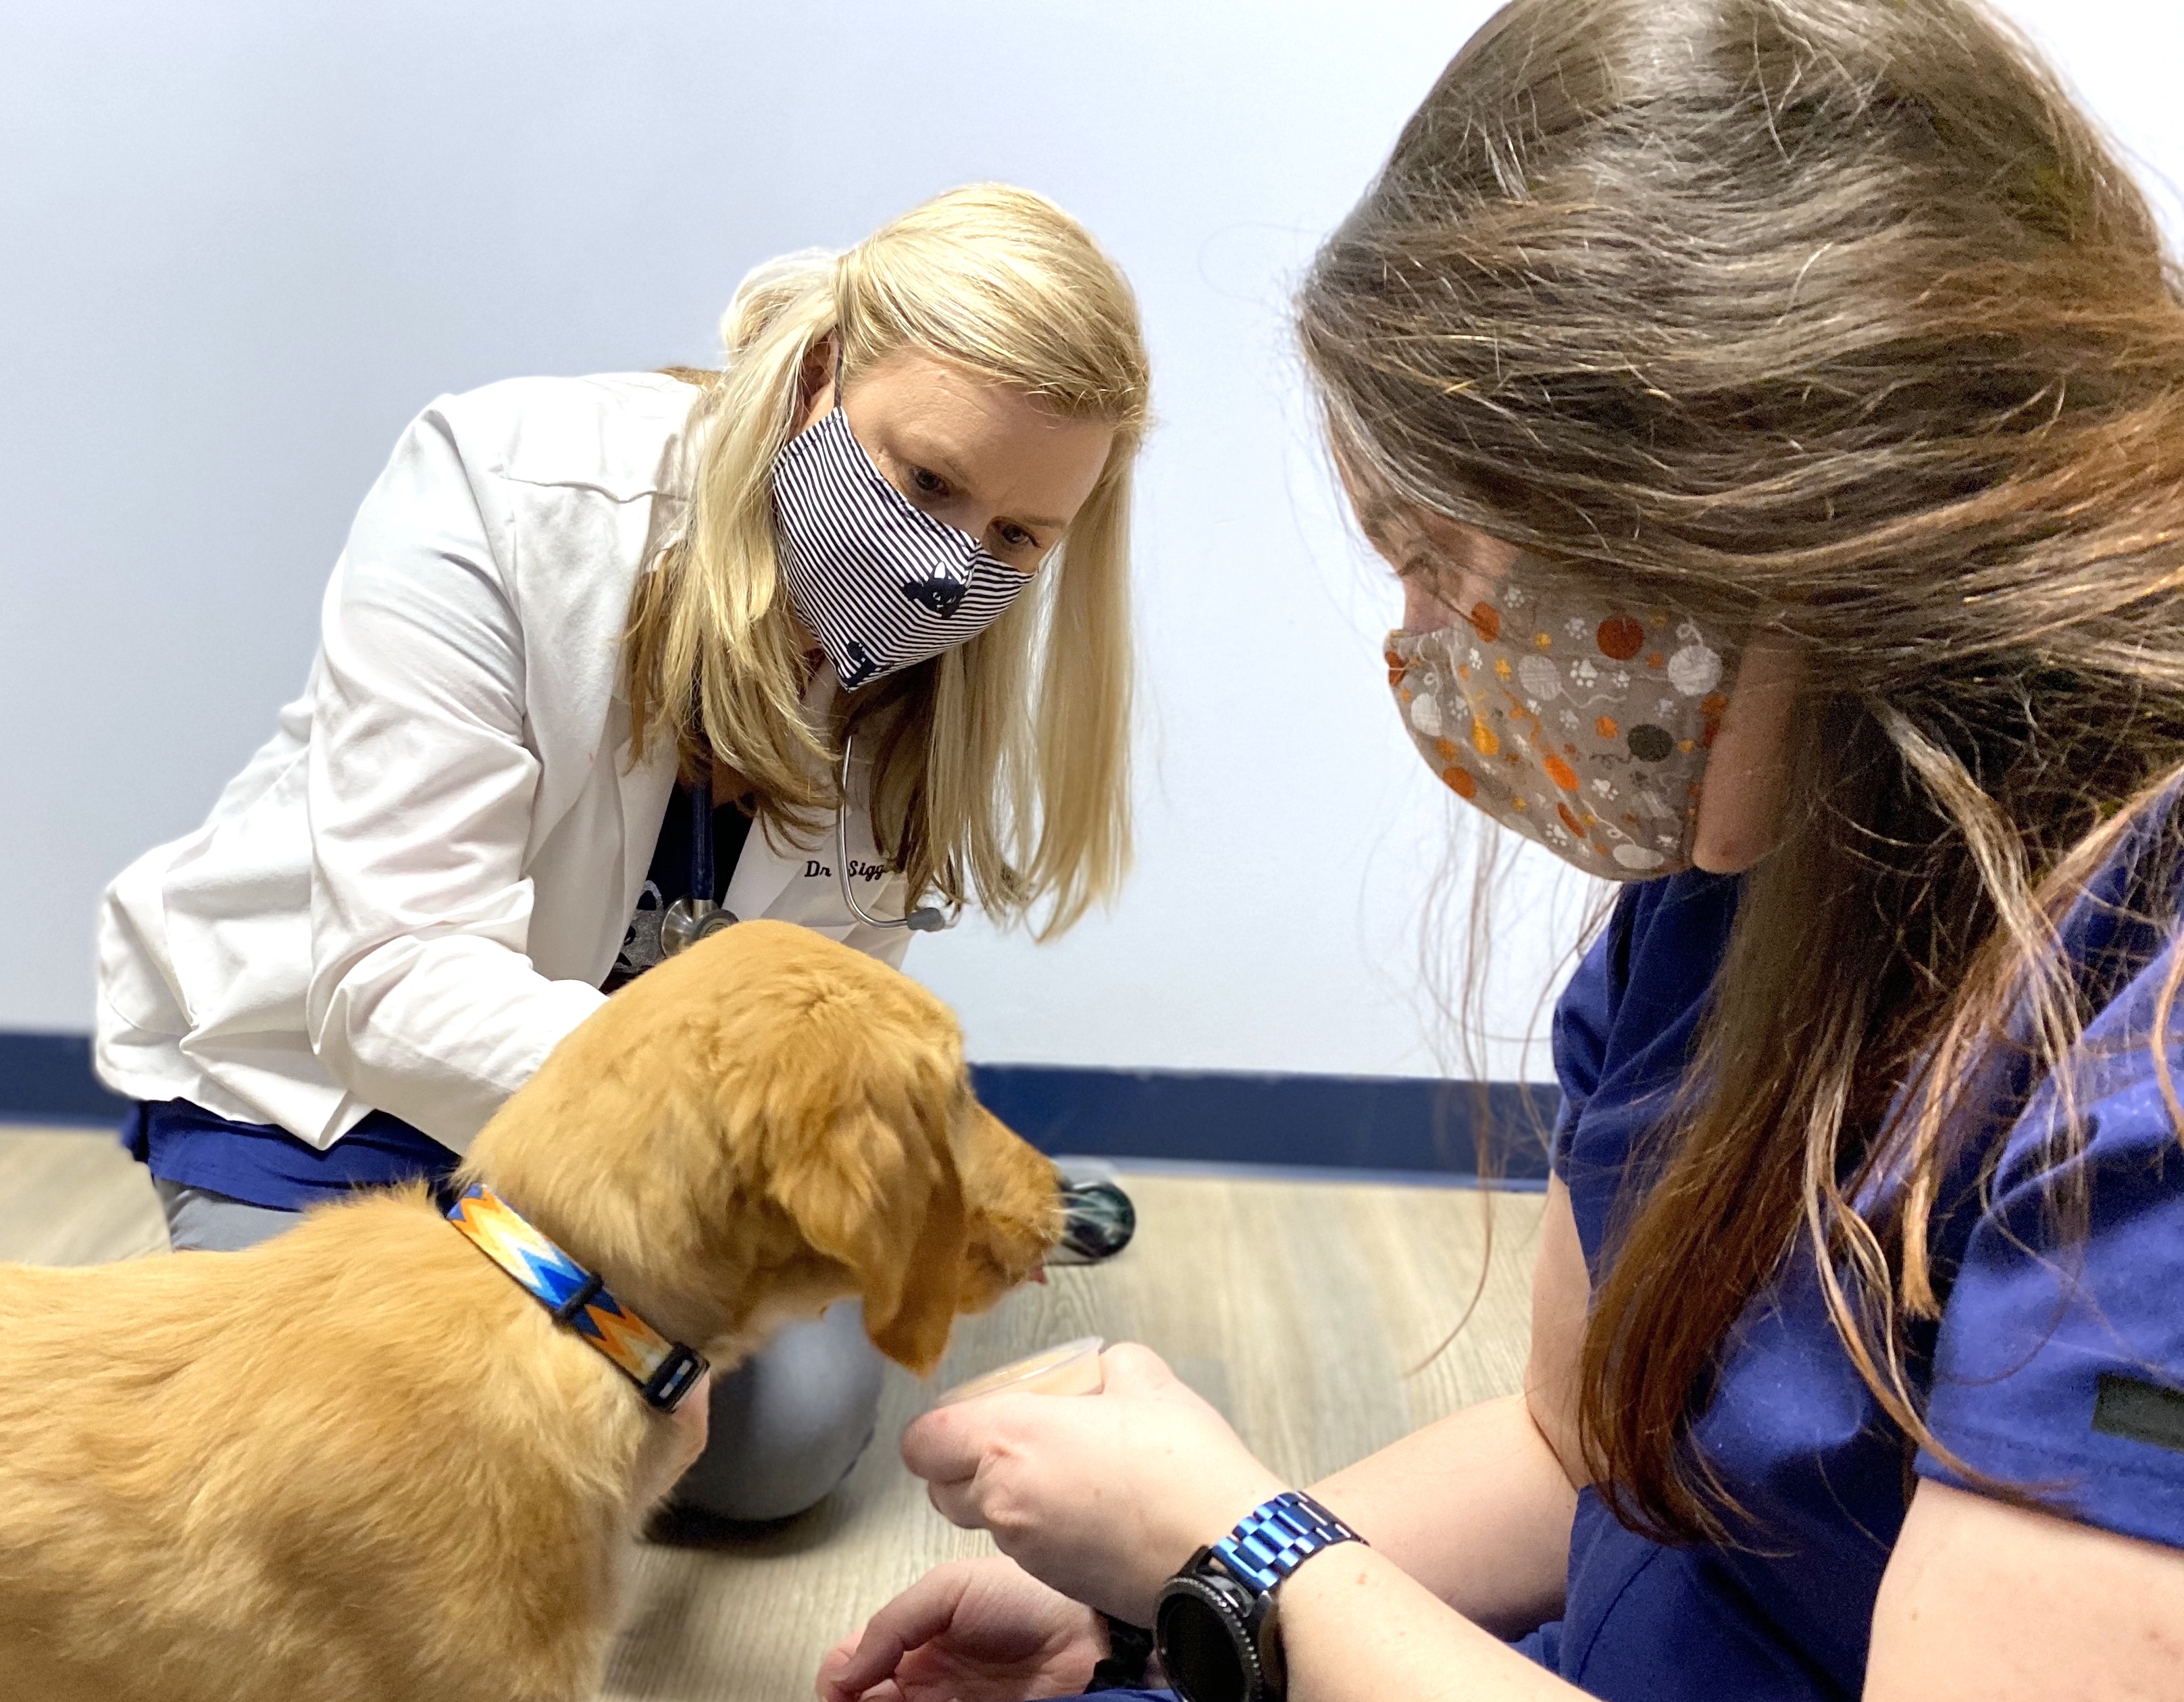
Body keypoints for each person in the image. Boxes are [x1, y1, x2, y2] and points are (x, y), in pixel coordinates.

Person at [818, 2, 2184, 1696]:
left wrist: (1243, 1552)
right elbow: (1574, 1454)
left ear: (1757, 491)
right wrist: (1165, 1613)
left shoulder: (2144, 1072)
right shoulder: (1720, 904)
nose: (1423, 652)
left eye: (1438, 558)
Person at [93, 182, 1150, 1524]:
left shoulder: (921, 676)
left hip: (661, 1146)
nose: (949, 571)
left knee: (778, 1448)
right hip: (328, 1080)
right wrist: (681, 1189)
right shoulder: (502, 483)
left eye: (1014, 538)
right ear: (821, 372)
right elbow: (394, 980)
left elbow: (819, 1011)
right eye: (927, 481)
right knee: (339, 1461)